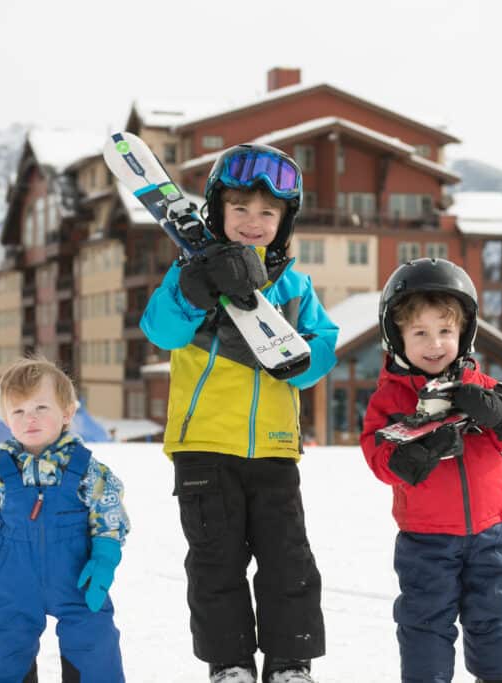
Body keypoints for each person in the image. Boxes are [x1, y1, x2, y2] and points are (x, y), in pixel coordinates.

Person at [141, 143, 338, 683]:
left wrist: (295, 361)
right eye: (241, 209)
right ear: (216, 212)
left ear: (285, 221)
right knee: (214, 563)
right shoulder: (188, 275)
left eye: (268, 213)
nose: (253, 222)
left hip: (274, 448)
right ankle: (229, 665)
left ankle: (290, 662)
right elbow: (161, 331)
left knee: (288, 561)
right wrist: (192, 290)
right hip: (203, 447)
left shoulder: (294, 288)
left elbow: (323, 348)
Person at [360, 258, 502, 683]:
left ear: (464, 333)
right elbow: (377, 456)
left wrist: (499, 413)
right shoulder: (390, 399)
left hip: (493, 533)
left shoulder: (481, 387)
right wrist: (412, 455)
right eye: (419, 332)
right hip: (427, 538)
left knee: (495, 616)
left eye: (445, 331)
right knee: (425, 621)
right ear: (396, 337)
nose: (434, 344)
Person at [0, 357, 128, 683]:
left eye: (41, 407)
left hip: (77, 576)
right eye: (18, 411)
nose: (30, 418)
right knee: (3, 652)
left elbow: (109, 511)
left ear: (67, 413)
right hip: (13, 579)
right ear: (6, 419)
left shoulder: (86, 469)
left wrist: (104, 558)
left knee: (96, 648)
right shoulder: (0, 471)